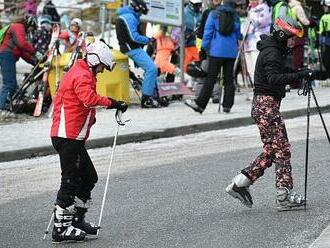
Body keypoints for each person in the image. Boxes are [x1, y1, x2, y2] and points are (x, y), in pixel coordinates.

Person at [225, 16, 314, 211]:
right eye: (291, 37)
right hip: (267, 106)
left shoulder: (274, 50)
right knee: (282, 149)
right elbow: (275, 78)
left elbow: (280, 71)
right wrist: (299, 75)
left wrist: (301, 71)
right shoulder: (273, 52)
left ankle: (240, 183)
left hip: (263, 106)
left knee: (272, 151)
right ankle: (284, 196)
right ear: (282, 35)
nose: (293, 41)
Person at [50, 41, 128, 243]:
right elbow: (88, 98)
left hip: (73, 137)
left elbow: (84, 104)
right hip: (67, 136)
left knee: (89, 178)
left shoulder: (85, 72)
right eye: (102, 66)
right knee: (70, 180)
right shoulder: (82, 74)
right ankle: (60, 229)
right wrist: (113, 103)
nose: (102, 71)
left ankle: (76, 220)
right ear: (94, 61)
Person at [185, 0, 241, 114]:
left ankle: (200, 105)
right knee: (229, 79)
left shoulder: (214, 14)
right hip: (231, 52)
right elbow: (238, 34)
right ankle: (227, 106)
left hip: (216, 51)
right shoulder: (235, 16)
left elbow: (207, 33)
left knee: (210, 78)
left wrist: (204, 48)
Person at [116, 0, 166, 108]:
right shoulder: (129, 17)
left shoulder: (127, 15)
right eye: (141, 12)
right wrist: (148, 40)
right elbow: (134, 37)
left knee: (152, 69)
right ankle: (147, 98)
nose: (141, 14)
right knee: (152, 69)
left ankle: (154, 95)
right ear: (137, 8)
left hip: (132, 47)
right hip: (131, 48)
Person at [0, 15, 38, 114]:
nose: (30, 31)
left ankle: (6, 104)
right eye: (31, 28)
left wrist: (35, 61)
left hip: (8, 56)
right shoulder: (18, 26)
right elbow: (22, 44)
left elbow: (22, 52)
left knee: (13, 84)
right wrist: (34, 51)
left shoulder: (19, 29)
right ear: (29, 23)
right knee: (9, 83)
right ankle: (2, 107)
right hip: (7, 55)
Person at [244, 0, 271, 83]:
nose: (250, 1)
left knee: (258, 68)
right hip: (248, 44)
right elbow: (246, 25)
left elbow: (261, 22)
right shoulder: (250, 10)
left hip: (257, 42)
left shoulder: (263, 8)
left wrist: (251, 15)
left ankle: (262, 91)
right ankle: (255, 90)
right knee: (251, 70)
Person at [184, 0, 202, 72]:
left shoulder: (200, 16)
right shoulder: (184, 13)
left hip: (198, 44)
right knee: (186, 65)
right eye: (197, 5)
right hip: (186, 44)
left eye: (199, 4)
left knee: (197, 64)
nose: (199, 7)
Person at [319, 0, 330, 77]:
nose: (323, 8)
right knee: (326, 60)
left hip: (327, 41)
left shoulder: (324, 17)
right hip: (327, 40)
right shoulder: (323, 17)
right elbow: (321, 31)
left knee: (326, 60)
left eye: (325, 6)